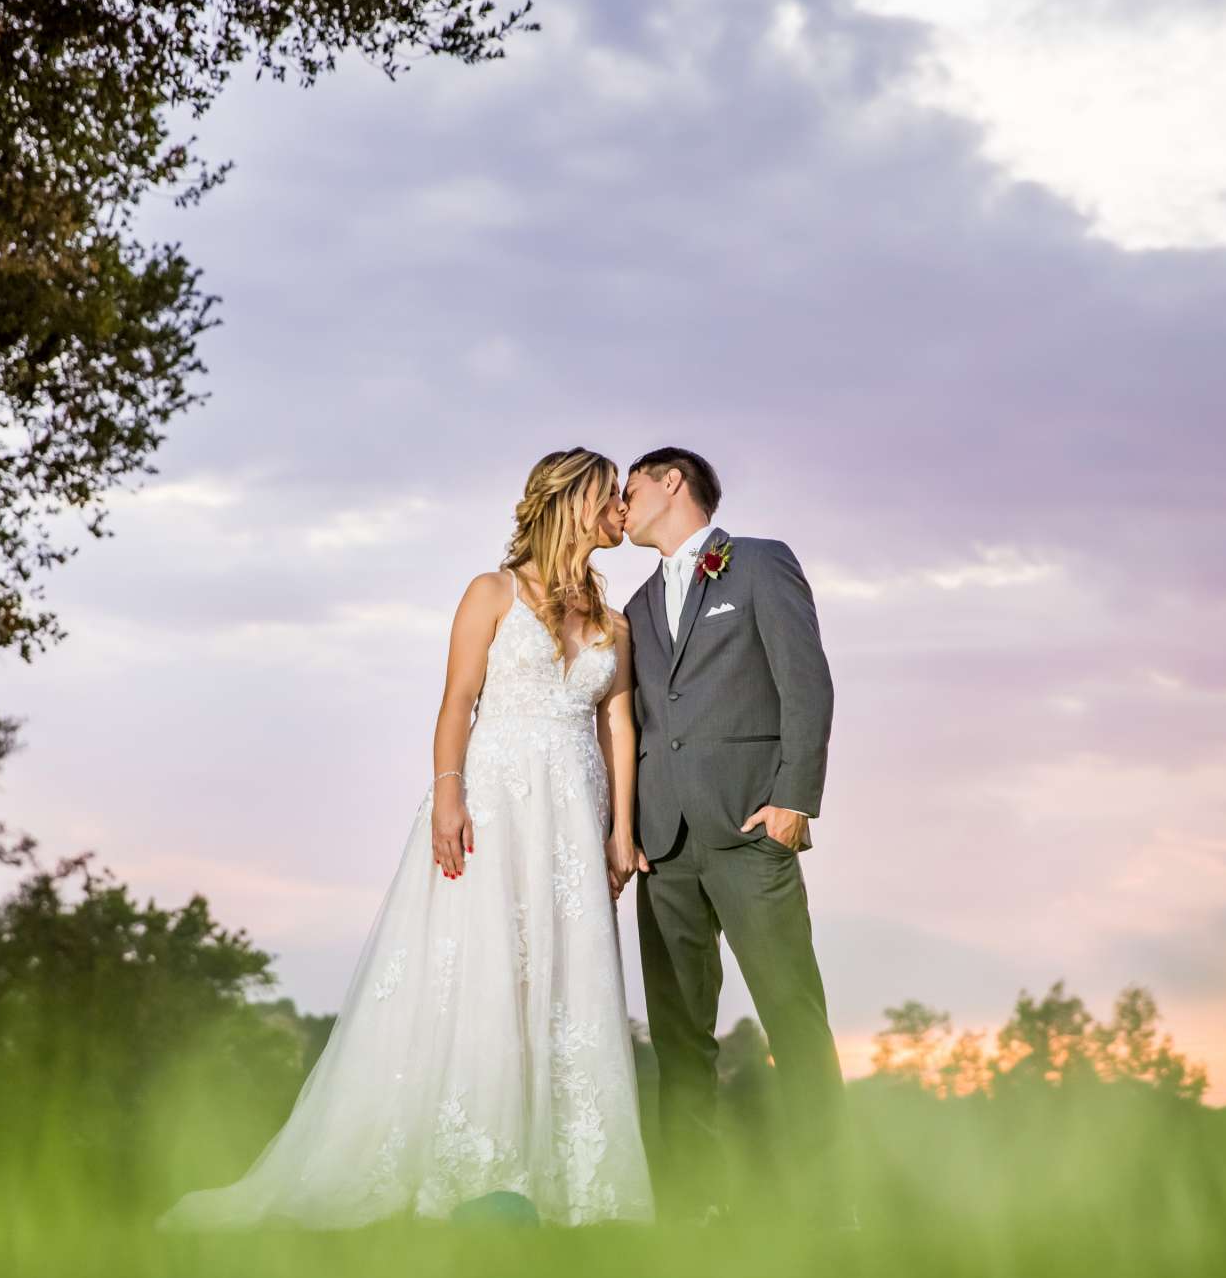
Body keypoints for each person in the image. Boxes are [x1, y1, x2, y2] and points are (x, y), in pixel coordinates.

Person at [156, 449, 655, 1229]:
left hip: (572, 809)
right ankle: (478, 1168)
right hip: (492, 800)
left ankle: (574, 1182)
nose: (621, 509)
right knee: (485, 970)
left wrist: (621, 832)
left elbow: (617, 724)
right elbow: (457, 702)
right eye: (609, 495)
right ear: (571, 501)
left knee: (565, 980)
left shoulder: (614, 622)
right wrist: (448, 795)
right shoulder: (491, 592)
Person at [620, 446, 848, 1225]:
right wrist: (625, 830)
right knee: (680, 1038)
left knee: (793, 1016)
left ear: (671, 482)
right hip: (664, 849)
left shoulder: (756, 564)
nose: (620, 504)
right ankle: (691, 1208)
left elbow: (806, 681)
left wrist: (795, 798)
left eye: (631, 487)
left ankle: (828, 1204)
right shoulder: (635, 607)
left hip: (753, 830)